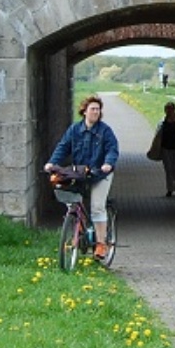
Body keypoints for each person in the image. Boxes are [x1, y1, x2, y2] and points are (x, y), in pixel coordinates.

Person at [43, 94, 119, 261]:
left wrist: (108, 163)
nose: (96, 112)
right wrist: (52, 163)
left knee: (97, 206)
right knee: (74, 201)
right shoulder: (74, 130)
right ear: (84, 111)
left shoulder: (105, 131)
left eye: (98, 109)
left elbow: (112, 149)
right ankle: (78, 228)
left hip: (100, 174)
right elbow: (63, 147)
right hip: (81, 172)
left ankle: (100, 244)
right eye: (92, 109)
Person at [155, 101, 175, 197]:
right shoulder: (162, 122)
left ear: (174, 110)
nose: (169, 111)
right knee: (168, 169)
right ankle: (169, 189)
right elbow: (157, 135)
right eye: (167, 109)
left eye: (171, 109)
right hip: (166, 148)